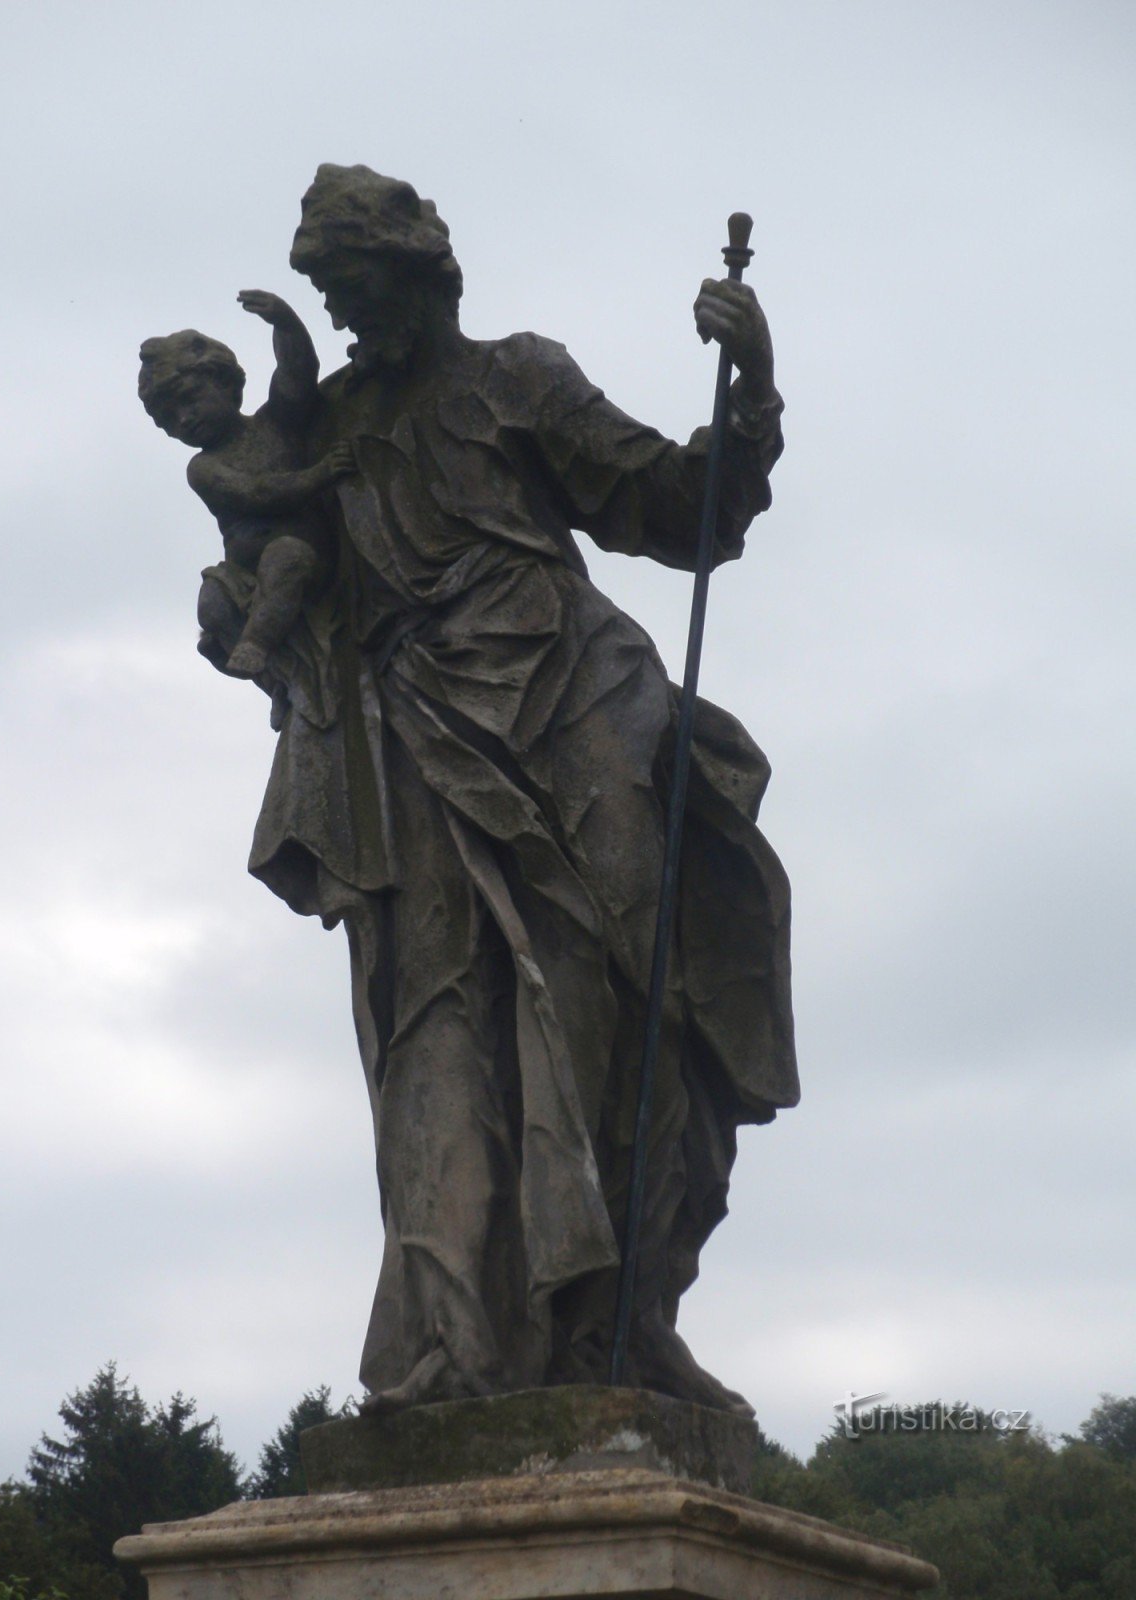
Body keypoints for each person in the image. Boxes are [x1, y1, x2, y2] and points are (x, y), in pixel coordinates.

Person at [208, 165, 799, 1413]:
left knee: (635, 1015)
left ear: (424, 268)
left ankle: (619, 1327)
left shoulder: (516, 377)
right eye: (331, 292)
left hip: (577, 713)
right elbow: (268, 569)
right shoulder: (327, 426)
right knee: (433, 1030)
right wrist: (239, 605)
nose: (350, 313)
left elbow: (674, 511)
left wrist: (748, 390)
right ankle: (453, 1346)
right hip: (412, 739)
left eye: (360, 283)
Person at [138, 291, 355, 679]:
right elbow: (256, 494)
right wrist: (319, 474)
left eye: (188, 400)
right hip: (244, 574)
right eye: (168, 419)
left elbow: (297, 375)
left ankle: (257, 647)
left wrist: (285, 323)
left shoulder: (275, 424)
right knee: (212, 600)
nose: (183, 420)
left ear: (225, 382)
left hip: (308, 561)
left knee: (286, 556)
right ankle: (278, 681)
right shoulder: (204, 468)